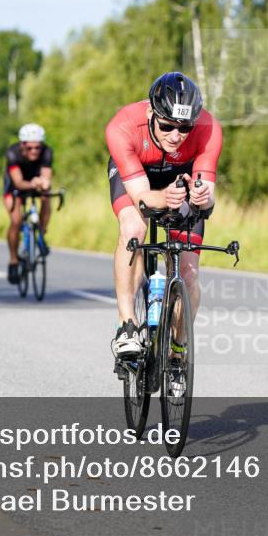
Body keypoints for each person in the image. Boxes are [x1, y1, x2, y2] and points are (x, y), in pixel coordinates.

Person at [105, 72, 222, 360]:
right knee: (133, 228)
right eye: (167, 125)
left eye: (184, 128)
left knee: (189, 271)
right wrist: (165, 198)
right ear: (151, 113)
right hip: (136, 177)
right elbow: (143, 199)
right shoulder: (123, 126)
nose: (175, 136)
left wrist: (202, 196)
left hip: (180, 177)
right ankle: (127, 325)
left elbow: (209, 195)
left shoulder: (208, 128)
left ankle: (178, 346)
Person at [2, 123, 54, 283]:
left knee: (46, 196)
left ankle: (42, 232)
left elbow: (46, 176)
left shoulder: (47, 152)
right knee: (16, 221)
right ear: (22, 145)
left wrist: (44, 183)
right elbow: (18, 182)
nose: (34, 151)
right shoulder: (13, 153)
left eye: (38, 147)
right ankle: (13, 260)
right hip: (15, 187)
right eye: (30, 148)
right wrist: (34, 183)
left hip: (35, 183)